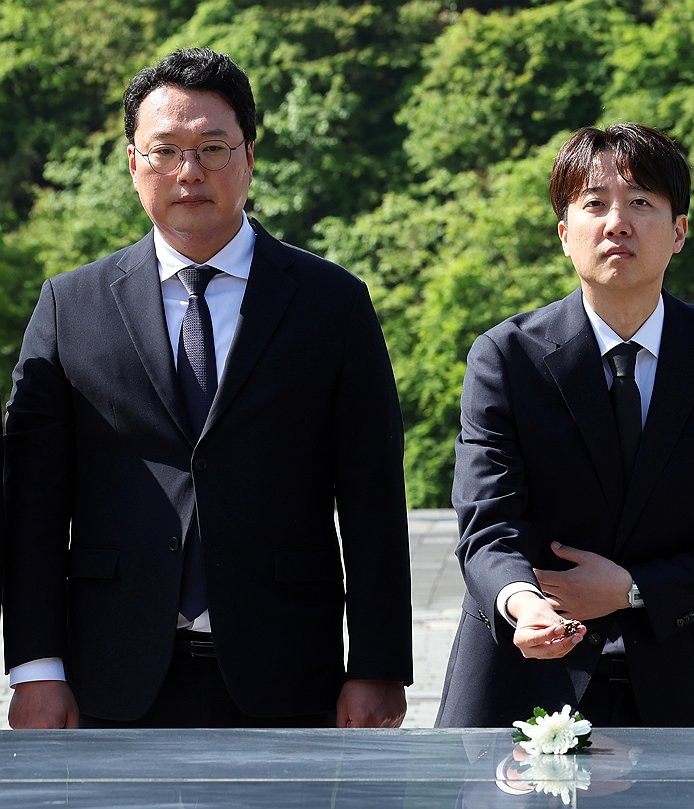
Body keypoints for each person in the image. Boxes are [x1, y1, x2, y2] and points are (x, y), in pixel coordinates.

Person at [2, 48, 412, 728]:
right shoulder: (70, 306)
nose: (189, 171)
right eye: (164, 150)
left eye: (213, 148)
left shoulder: (332, 302)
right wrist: (37, 668)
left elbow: (372, 496)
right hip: (109, 671)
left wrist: (377, 663)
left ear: (249, 155)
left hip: (290, 669)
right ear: (133, 163)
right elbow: (33, 506)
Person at [435, 123, 694, 729]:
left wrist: (637, 588)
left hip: (687, 685)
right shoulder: (506, 357)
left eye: (640, 202)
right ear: (564, 234)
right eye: (594, 204)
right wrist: (522, 602)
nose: (617, 223)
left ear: (679, 231)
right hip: (524, 675)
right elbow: (487, 523)